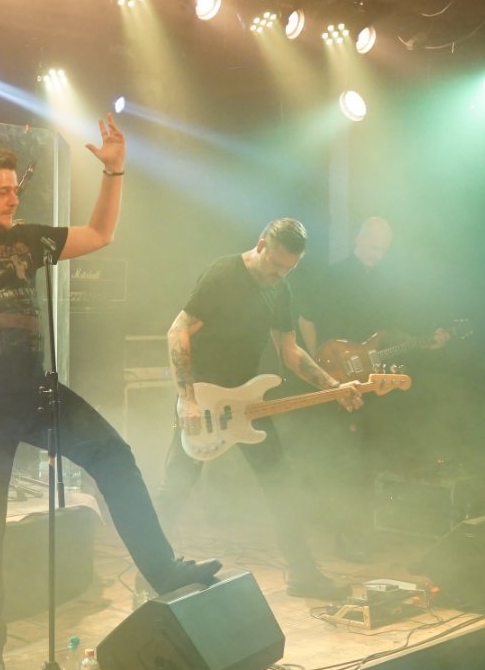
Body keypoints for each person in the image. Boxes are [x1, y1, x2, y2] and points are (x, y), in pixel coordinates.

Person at [0, 115, 219, 670]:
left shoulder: (27, 238)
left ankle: (164, 571)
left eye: (15, 189)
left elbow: (100, 234)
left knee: (115, 456)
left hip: (35, 391)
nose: (14, 198)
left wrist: (114, 171)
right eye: (2, 191)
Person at [160, 218, 362, 600]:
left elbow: (290, 350)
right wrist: (186, 397)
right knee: (177, 487)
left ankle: (303, 574)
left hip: (248, 401)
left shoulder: (280, 289)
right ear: (261, 245)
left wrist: (333, 387)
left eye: (289, 268)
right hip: (203, 398)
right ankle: (151, 574)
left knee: (281, 484)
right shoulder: (223, 274)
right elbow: (177, 330)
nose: (279, 274)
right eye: (276, 265)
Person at [296, 217, 448, 558]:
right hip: (336, 376)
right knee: (344, 458)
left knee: (367, 457)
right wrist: (318, 360)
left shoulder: (385, 284)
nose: (377, 253)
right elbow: (305, 317)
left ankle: (360, 531)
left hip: (370, 382)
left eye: (383, 248)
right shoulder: (333, 275)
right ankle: (344, 535)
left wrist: (425, 341)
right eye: (373, 245)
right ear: (359, 239)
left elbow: (390, 333)